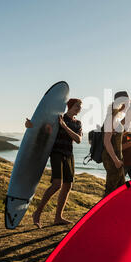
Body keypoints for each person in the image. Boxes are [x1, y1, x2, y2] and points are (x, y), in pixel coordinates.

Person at [27, 98, 83, 228]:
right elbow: (44, 128)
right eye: (77, 106)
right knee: (57, 184)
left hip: (69, 154)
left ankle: (58, 217)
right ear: (69, 106)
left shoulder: (77, 123)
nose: (79, 108)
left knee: (68, 185)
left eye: (80, 106)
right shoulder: (58, 118)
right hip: (56, 153)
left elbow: (78, 139)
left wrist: (64, 126)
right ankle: (37, 213)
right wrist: (30, 125)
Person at [102, 91, 130, 196]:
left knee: (120, 188)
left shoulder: (117, 117)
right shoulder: (111, 117)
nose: (128, 105)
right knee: (111, 189)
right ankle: (103, 211)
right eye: (127, 102)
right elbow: (106, 141)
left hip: (117, 157)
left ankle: (115, 211)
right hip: (111, 158)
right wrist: (116, 160)